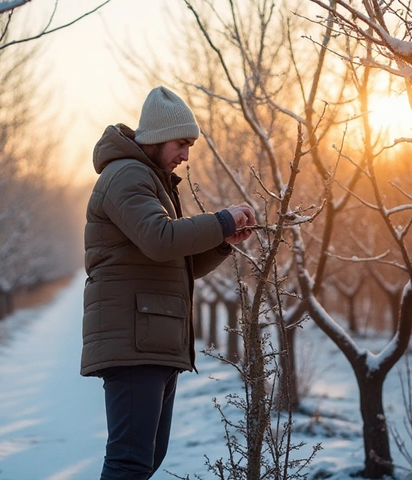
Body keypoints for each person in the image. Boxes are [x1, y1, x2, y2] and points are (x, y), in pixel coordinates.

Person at [81, 86, 256, 479]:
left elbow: (177, 263)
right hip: (134, 342)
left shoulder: (151, 179)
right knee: (130, 462)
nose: (186, 155)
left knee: (146, 460)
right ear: (158, 137)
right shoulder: (126, 175)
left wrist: (222, 242)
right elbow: (161, 239)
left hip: (153, 339)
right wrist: (222, 220)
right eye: (181, 143)